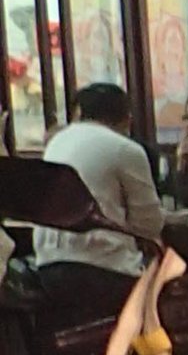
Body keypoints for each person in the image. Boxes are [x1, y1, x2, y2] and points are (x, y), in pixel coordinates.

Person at [30, 81, 164, 322]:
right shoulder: (125, 149)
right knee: (163, 299)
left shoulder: (56, 143)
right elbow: (149, 226)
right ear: (127, 119)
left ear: (79, 113)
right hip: (105, 270)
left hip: (48, 268)